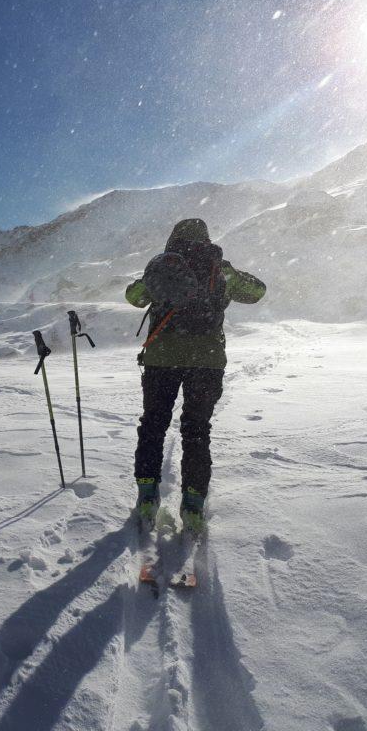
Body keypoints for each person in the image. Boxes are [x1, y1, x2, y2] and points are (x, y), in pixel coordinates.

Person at [125, 218, 266, 532]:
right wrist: (226, 275)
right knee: (197, 430)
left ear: (173, 238)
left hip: (161, 360)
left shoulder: (162, 266)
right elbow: (258, 292)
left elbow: (133, 297)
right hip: (207, 362)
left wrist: (157, 280)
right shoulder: (220, 268)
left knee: (153, 424)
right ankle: (193, 505)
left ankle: (147, 496)